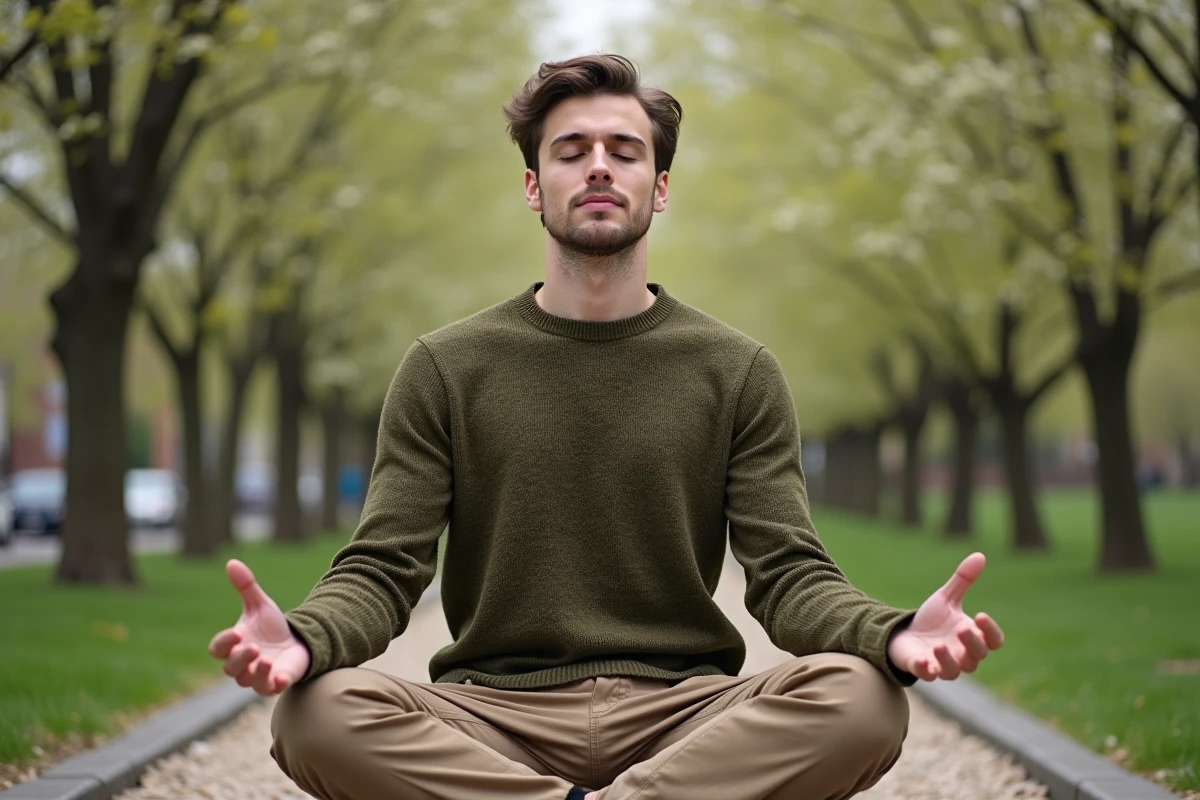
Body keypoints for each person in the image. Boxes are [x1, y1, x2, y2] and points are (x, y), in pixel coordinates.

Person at [208, 54, 1005, 800]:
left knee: (865, 699)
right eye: (571, 150)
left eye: (625, 150)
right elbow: (383, 570)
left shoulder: (736, 370)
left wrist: (890, 636)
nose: (598, 165)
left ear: (659, 187)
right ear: (533, 185)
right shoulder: (446, 367)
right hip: (492, 717)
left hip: (687, 717)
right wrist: (305, 640)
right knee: (316, 713)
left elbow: (790, 576)